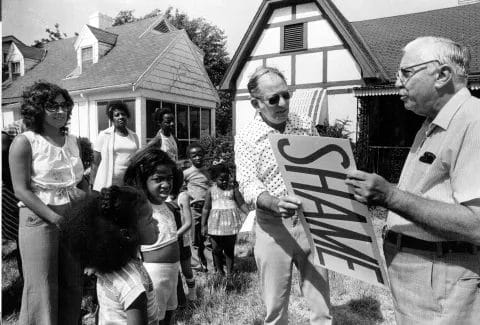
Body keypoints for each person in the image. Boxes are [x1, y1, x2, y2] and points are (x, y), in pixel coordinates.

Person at [345, 36, 480, 324]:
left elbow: (477, 224)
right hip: (426, 279)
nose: (396, 82)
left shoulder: (474, 121)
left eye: (406, 73)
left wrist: (389, 196)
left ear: (442, 75)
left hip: (443, 282)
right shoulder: (435, 122)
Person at [235, 67, 332, 324]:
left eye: (286, 95)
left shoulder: (304, 124)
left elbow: (323, 165)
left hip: (311, 223)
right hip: (272, 228)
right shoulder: (246, 137)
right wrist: (275, 203)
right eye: (273, 99)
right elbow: (247, 183)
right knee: (275, 308)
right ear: (256, 103)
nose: (283, 103)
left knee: (321, 307)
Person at [9, 81, 88, 325]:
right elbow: (21, 190)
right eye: (52, 106)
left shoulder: (73, 142)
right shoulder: (25, 141)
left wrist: (84, 197)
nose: (60, 111)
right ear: (37, 109)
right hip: (39, 218)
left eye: (64, 106)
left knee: (72, 282)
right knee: (42, 286)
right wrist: (54, 218)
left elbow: (82, 182)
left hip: (72, 218)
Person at [63, 186, 160, 325]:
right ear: (128, 233)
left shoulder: (108, 270)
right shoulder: (133, 285)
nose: (156, 222)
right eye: (150, 219)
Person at [124, 147, 184, 325]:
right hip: (152, 277)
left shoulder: (167, 207)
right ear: (143, 179)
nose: (166, 184)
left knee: (168, 316)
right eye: (158, 179)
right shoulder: (141, 207)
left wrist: (178, 285)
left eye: (169, 178)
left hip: (171, 276)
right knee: (152, 319)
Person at [201, 163, 249, 276]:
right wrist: (203, 225)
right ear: (214, 179)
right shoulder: (210, 191)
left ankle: (230, 274)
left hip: (230, 226)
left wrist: (249, 213)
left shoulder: (233, 190)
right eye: (221, 179)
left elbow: (241, 203)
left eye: (226, 179)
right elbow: (206, 209)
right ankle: (220, 272)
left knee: (229, 250)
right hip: (215, 225)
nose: (224, 182)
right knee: (216, 249)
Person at [91, 101, 140, 192]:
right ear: (112, 119)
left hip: (128, 183)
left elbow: (136, 160)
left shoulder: (134, 136)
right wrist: (92, 183)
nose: (121, 117)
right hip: (108, 182)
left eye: (123, 114)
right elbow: (95, 162)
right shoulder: (104, 135)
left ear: (127, 116)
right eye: (117, 115)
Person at [183, 143, 211, 271]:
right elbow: (181, 189)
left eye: (200, 155)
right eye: (194, 156)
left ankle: (211, 263)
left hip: (208, 209)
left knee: (208, 237)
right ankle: (196, 264)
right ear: (190, 158)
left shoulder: (208, 172)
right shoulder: (186, 173)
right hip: (193, 209)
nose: (198, 158)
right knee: (194, 238)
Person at [176, 189, 196, 300]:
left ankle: (192, 295)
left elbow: (188, 223)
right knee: (174, 272)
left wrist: (175, 235)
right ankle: (179, 298)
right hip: (167, 239)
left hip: (182, 238)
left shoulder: (183, 196)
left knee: (186, 269)